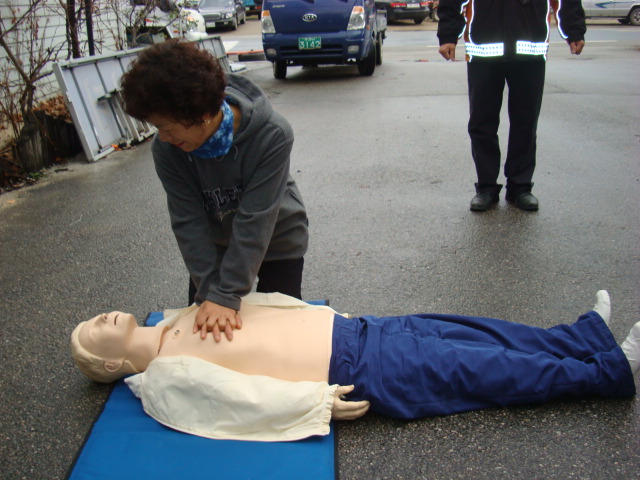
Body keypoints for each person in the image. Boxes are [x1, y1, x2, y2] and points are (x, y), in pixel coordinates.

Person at [71, 291, 639, 442]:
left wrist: (320, 313)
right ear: (110, 363)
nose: (99, 317)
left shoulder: (176, 316)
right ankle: (607, 373)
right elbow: (231, 405)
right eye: (93, 331)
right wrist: (313, 404)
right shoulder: (164, 376)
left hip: (356, 329)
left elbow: (261, 307)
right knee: (484, 367)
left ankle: (580, 338)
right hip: (359, 366)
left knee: (472, 330)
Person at [120, 39, 309, 342]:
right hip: (215, 245)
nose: (162, 137)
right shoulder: (167, 150)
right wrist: (212, 293)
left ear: (201, 114)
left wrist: (227, 294)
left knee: (280, 338)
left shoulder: (272, 134)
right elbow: (188, 221)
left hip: (277, 237)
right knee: (206, 336)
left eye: (166, 126)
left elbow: (256, 220)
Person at [436, 0, 586, 212]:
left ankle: (520, 187)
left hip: (529, 49)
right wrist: (448, 35)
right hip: (484, 50)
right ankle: (486, 187)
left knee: (526, 123)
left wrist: (574, 31)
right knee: (481, 123)